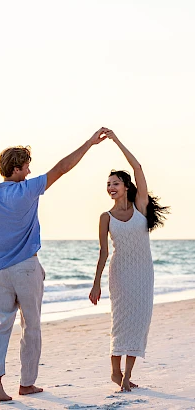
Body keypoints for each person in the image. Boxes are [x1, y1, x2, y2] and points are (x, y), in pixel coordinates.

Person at [0, 128, 107, 402]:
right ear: (17, 168)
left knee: (1, 326)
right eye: (27, 167)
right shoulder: (27, 189)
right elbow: (62, 168)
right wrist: (89, 143)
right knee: (30, 326)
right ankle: (27, 383)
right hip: (26, 268)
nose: (30, 171)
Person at [89, 129, 169, 392]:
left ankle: (127, 375)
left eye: (115, 183)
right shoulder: (105, 217)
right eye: (108, 184)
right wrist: (96, 284)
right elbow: (103, 252)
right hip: (119, 274)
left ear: (125, 186)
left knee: (138, 321)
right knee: (120, 321)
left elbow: (137, 167)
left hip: (143, 274)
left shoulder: (141, 208)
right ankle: (115, 372)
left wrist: (116, 140)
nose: (111, 188)